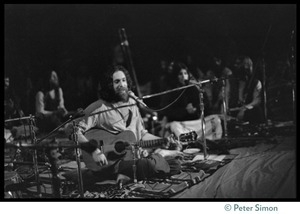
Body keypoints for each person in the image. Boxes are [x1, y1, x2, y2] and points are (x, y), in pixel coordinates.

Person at [72, 65, 182, 182]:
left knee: (176, 164)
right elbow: (73, 130)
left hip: (132, 159)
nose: (122, 85)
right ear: (109, 86)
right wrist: (93, 150)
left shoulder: (132, 104)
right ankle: (152, 161)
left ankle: (128, 176)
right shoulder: (99, 107)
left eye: (124, 81)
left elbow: (142, 135)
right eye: (117, 81)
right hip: (109, 164)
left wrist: (162, 141)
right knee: (148, 164)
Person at [230, 56, 264, 124]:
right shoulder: (233, 82)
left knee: (256, 111)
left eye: (249, 65)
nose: (246, 67)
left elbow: (256, 101)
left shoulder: (256, 82)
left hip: (249, 110)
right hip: (235, 110)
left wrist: (244, 109)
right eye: (244, 64)